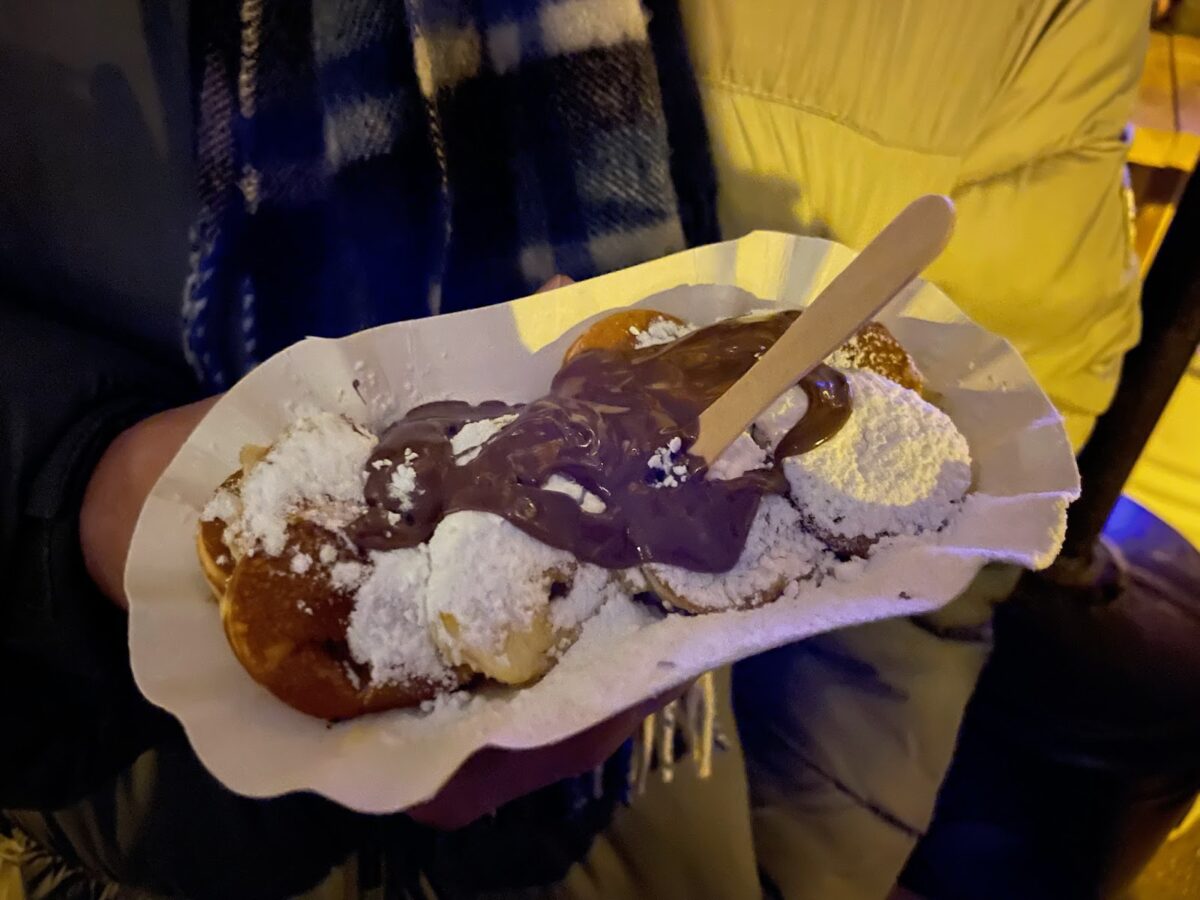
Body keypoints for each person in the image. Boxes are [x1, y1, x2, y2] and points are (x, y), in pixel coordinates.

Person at [0, 1, 1147, 897]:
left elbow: (940, 546)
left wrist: (796, 870)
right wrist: (72, 480)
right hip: (127, 806)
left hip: (676, 829)